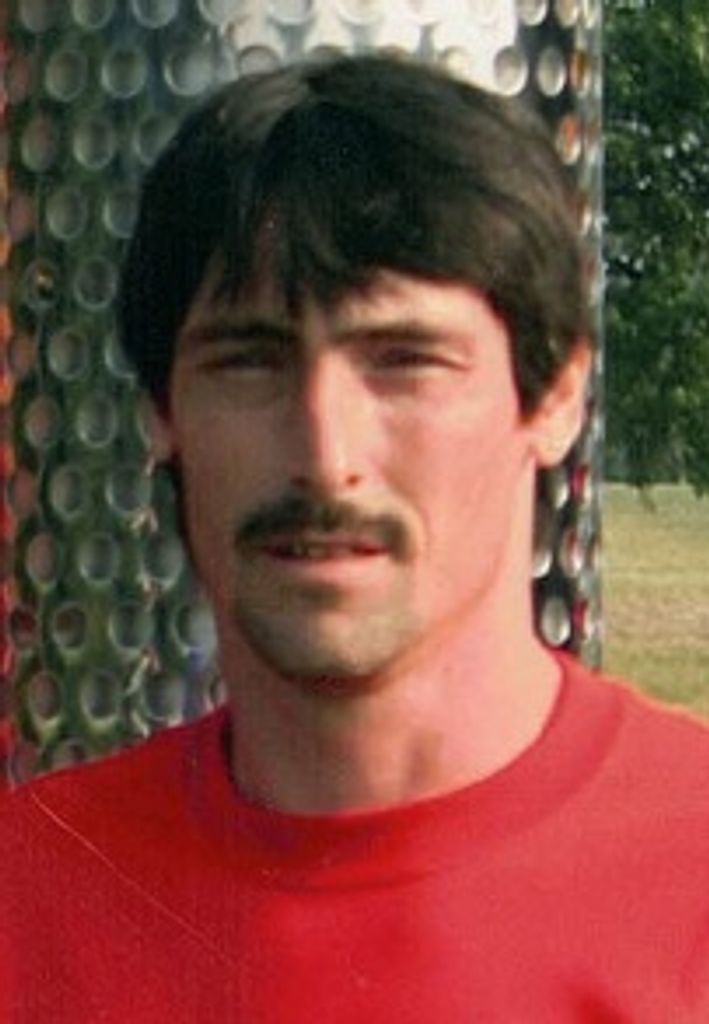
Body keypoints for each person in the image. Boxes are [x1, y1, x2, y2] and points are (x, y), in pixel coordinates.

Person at [1, 53, 708, 1023]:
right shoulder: (30, 901)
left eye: (403, 361)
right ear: (162, 410)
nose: (325, 455)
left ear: (553, 397)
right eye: (250, 361)